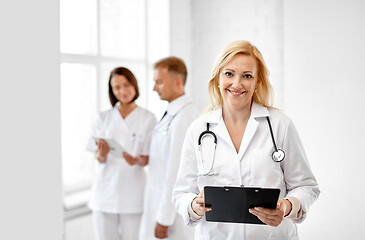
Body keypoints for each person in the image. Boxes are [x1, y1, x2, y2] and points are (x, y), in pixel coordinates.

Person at [172, 40, 320, 240]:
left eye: (247, 76)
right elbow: (181, 193)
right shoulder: (198, 130)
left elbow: (307, 186)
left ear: (257, 82)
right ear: (217, 77)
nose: (236, 84)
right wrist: (193, 205)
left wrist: (286, 207)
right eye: (229, 74)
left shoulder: (279, 125)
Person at [86, 67, 157, 240]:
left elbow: (149, 157)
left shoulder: (148, 118)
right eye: (117, 88)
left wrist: (138, 160)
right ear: (111, 91)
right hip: (105, 192)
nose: (122, 91)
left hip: (133, 193)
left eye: (126, 85)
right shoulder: (102, 118)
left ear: (134, 84)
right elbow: (99, 158)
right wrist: (101, 154)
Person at [139, 57, 198, 240]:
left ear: (178, 82)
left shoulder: (184, 118)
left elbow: (176, 173)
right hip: (158, 202)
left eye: (159, 82)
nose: (154, 88)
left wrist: (164, 218)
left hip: (172, 217)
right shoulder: (173, 113)